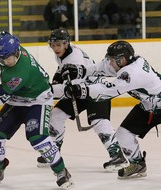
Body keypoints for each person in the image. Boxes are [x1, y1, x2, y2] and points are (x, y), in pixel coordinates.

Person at [0, 31, 73, 190]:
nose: (7, 61)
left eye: (9, 58)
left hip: (37, 100)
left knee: (37, 138)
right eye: (2, 59)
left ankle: (61, 171)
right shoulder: (6, 48)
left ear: (17, 51)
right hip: (16, 98)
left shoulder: (20, 72)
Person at [63, 40, 160, 178]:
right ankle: (138, 164)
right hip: (149, 106)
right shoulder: (126, 63)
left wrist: (81, 90)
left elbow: (108, 90)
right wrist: (81, 71)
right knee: (123, 134)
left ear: (122, 59)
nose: (110, 63)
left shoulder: (132, 72)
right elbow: (102, 67)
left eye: (113, 60)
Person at [36, 28, 129, 172]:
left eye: (59, 45)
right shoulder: (62, 53)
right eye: (53, 45)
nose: (55, 48)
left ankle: (118, 156)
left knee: (98, 121)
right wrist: (56, 80)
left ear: (67, 44)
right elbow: (63, 70)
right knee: (57, 114)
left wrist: (49, 90)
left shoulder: (75, 57)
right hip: (79, 89)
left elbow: (68, 89)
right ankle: (54, 153)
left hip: (96, 89)